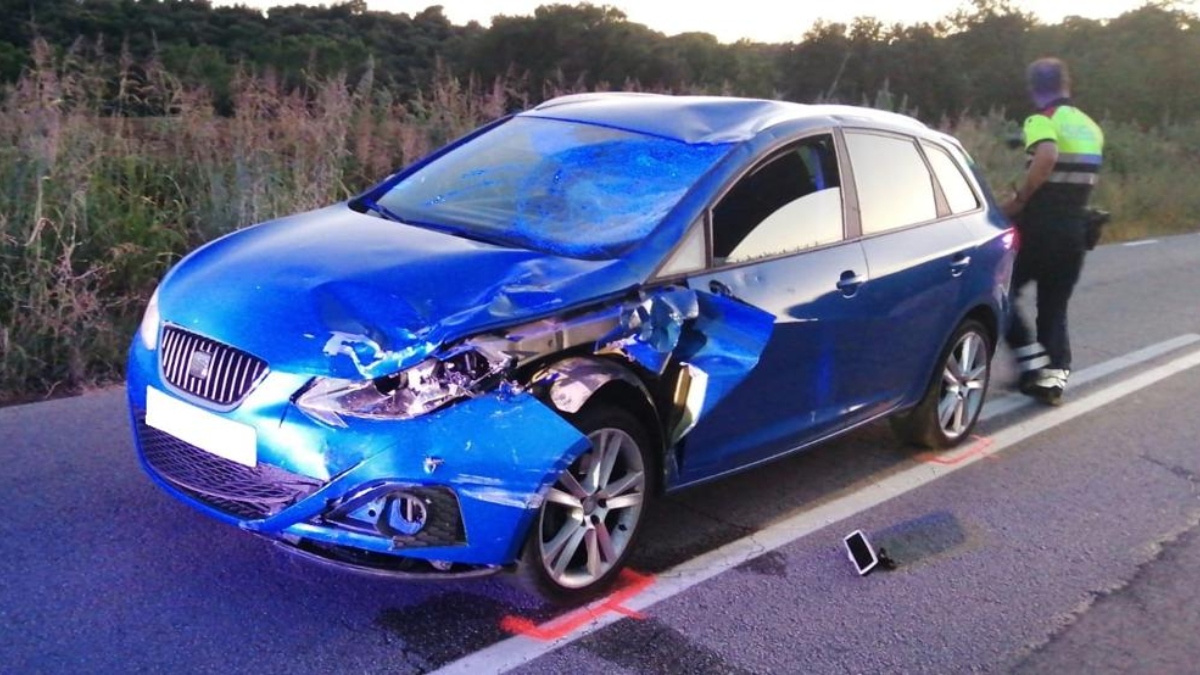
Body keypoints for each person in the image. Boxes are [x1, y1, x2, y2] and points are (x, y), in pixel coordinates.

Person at [1002, 58, 1104, 405]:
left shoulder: (1042, 120)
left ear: (1033, 89)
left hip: (1038, 226)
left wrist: (1020, 199)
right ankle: (1052, 381)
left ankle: (1030, 363)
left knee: (1000, 291)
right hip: (1075, 229)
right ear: (1067, 83)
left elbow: (1046, 155)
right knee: (1054, 306)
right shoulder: (1091, 127)